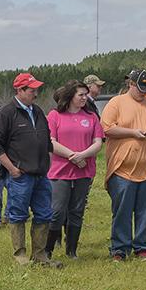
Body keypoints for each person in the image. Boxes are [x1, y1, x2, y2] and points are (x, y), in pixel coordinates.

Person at [0, 72, 56, 265]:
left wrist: (47, 162)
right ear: (20, 90)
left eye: (36, 90)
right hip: (20, 175)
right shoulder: (6, 113)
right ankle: (20, 255)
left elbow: (47, 140)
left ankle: (40, 255)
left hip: (41, 174)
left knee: (44, 213)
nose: (36, 93)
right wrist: (11, 168)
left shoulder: (38, 112)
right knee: (18, 214)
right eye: (32, 90)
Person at [100, 69, 146, 259]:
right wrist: (133, 133)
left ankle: (143, 247)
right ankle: (120, 249)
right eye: (140, 88)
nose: (144, 92)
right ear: (130, 84)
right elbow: (107, 128)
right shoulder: (116, 103)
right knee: (122, 210)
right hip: (122, 169)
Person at [43, 77, 103, 258]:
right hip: (60, 170)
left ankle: (72, 251)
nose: (85, 98)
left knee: (77, 211)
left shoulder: (91, 117)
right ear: (70, 96)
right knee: (57, 211)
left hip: (84, 170)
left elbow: (98, 142)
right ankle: (48, 249)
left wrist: (82, 156)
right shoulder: (54, 116)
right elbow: (50, 142)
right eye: (81, 95)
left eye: (86, 94)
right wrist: (72, 156)